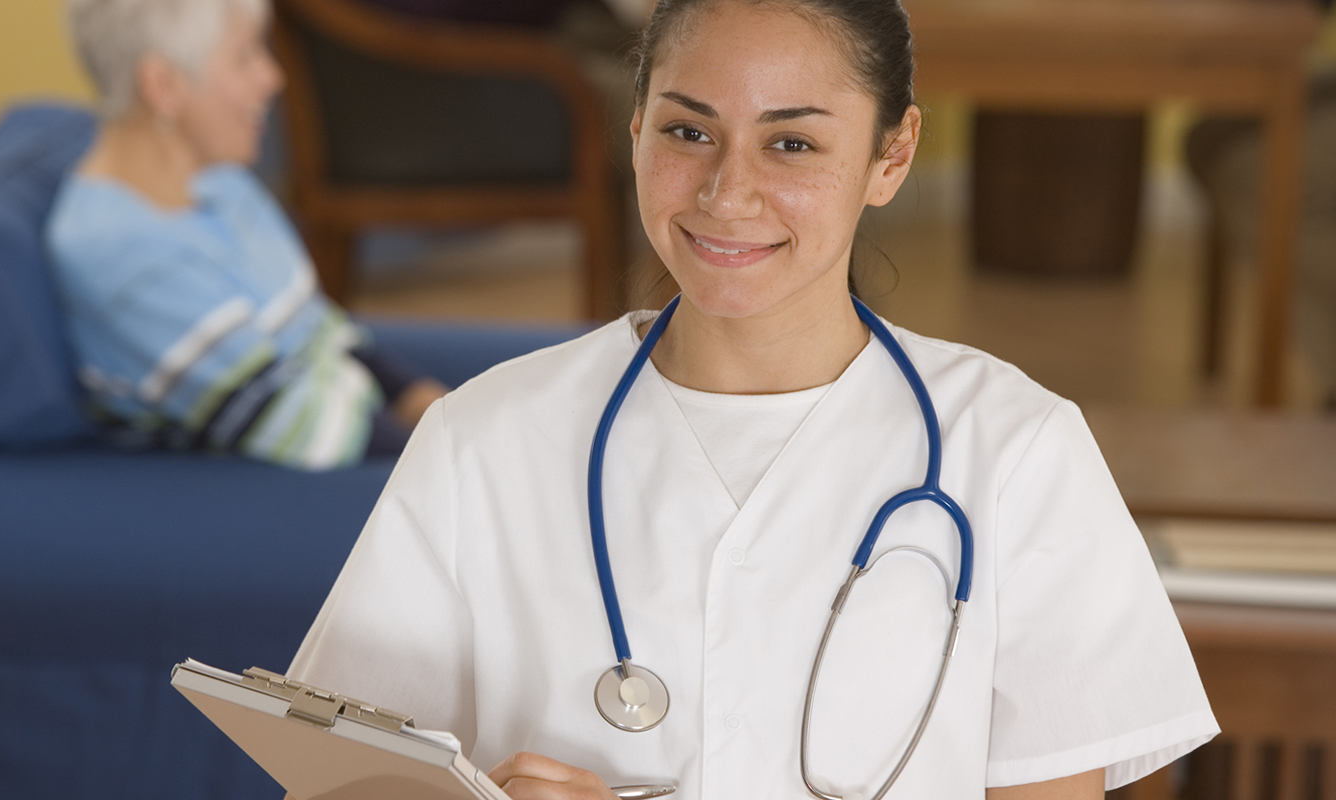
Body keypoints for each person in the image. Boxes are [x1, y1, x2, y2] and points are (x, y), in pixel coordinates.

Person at [288, 0, 1218, 797]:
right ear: (636, 130)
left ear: (891, 158)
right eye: (688, 131)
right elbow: (345, 775)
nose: (729, 193)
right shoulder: (481, 440)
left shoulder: (1018, 450)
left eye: (793, 143)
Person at [49, 0, 447, 470]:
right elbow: (298, 427)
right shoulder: (117, 252)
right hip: (290, 485)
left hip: (351, 431)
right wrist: (458, 457)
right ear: (163, 86)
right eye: (246, 56)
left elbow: (318, 333)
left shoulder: (220, 179)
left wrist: (422, 401)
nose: (272, 78)